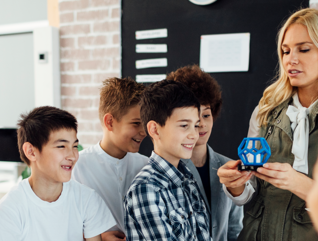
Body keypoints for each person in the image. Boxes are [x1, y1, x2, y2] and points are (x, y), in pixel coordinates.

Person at [217, 8, 318, 240]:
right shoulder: (266, 110)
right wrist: (236, 186)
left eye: (304, 49)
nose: (291, 59)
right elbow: (249, 195)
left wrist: (299, 183)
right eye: (285, 51)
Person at [0, 106, 115, 241]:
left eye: (74, 146)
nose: (72, 156)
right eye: (61, 146)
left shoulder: (87, 199)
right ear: (31, 151)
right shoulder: (10, 209)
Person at [124, 80, 211, 240]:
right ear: (155, 129)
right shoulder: (147, 188)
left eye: (196, 125)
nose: (194, 135)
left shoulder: (188, 179)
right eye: (184, 125)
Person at [166, 65, 243, 241]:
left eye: (206, 115)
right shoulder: (167, 170)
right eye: (193, 116)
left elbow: (235, 229)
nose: (201, 124)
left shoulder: (229, 167)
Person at [72, 77, 148, 241]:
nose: (144, 132)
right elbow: (62, 222)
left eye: (145, 123)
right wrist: (97, 236)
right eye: (136, 123)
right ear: (110, 122)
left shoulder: (146, 166)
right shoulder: (77, 167)